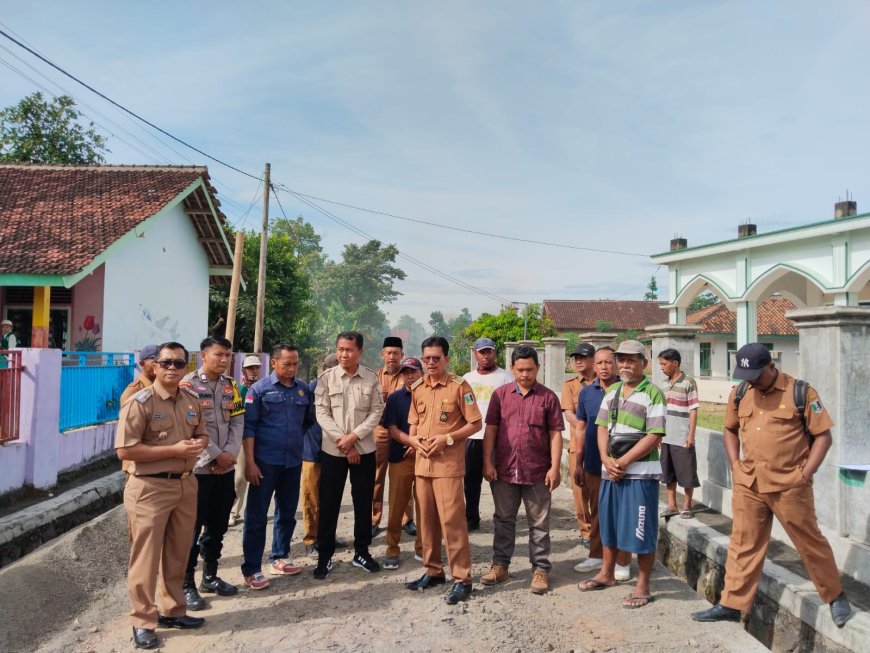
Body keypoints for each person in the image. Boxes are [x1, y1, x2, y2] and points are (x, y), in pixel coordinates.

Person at [691, 343, 852, 627]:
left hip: (790, 484)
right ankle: (732, 603)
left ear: (771, 365)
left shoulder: (801, 392)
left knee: (809, 542)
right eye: (746, 374)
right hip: (749, 483)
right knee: (743, 543)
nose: (751, 380)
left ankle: (835, 596)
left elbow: (823, 437)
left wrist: (805, 473)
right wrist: (734, 464)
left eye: (756, 374)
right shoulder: (740, 393)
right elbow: (729, 428)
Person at [114, 342, 208, 650]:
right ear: (154, 366)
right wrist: (174, 450)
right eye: (165, 362)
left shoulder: (191, 399)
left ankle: (173, 610)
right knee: (145, 559)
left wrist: (197, 444)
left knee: (179, 553)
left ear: (186, 367)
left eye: (178, 364)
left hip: (184, 485)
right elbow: (125, 450)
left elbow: (202, 433)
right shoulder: (140, 402)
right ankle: (143, 622)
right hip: (149, 488)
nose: (171, 368)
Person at [577, 340, 665, 609]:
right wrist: (605, 458)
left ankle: (643, 586)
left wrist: (624, 461)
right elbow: (601, 427)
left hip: (639, 474)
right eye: (622, 360)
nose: (625, 365)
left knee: (641, 528)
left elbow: (655, 434)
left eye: (632, 360)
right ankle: (607, 573)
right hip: (610, 472)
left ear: (644, 364)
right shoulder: (613, 391)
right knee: (609, 524)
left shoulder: (653, 393)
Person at [480, 345, 564, 595]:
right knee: (503, 520)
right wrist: (487, 461)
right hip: (504, 469)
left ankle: (540, 570)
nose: (525, 374)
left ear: (538, 368)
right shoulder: (501, 395)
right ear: (512, 369)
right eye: (520, 369)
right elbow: (491, 430)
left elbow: (555, 435)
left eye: (529, 369)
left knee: (539, 523)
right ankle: (500, 566)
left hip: (537, 471)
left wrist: (555, 467)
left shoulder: (548, 397)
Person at [405, 336, 482, 605]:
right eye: (426, 358)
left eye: (436, 358)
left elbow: (475, 423)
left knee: (452, 522)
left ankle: (462, 579)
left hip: (448, 466)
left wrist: (447, 439)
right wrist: (412, 440)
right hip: (422, 466)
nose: (430, 363)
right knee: (426, 521)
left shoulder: (460, 386)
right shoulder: (417, 388)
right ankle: (433, 570)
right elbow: (413, 422)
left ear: (447, 359)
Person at [240, 343, 314, 591]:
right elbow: (248, 429)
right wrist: (250, 462)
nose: (292, 368)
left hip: (292, 462)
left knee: (286, 513)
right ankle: (252, 568)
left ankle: (279, 557)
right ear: (273, 363)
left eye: (295, 364)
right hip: (264, 463)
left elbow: (306, 423)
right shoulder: (258, 390)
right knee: (256, 516)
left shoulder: (303, 390)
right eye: (287, 364)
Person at [314, 331, 385, 579]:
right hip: (333, 451)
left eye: (349, 350)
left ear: (360, 352)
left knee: (363, 502)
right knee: (329, 503)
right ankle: (324, 555)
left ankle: (362, 552)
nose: (344, 354)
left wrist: (353, 437)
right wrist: (344, 443)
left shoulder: (371, 379)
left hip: (364, 450)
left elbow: (376, 411)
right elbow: (321, 413)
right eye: (340, 349)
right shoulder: (326, 378)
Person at [181, 337, 245, 610]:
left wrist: (229, 455)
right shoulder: (187, 386)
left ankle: (210, 575)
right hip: (198, 469)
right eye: (219, 354)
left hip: (225, 469)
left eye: (228, 355)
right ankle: (186, 584)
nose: (224, 359)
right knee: (191, 529)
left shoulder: (231, 385)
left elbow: (238, 420)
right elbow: (190, 427)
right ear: (204, 355)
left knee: (217, 526)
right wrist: (217, 455)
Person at [573, 346, 632, 579]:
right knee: (598, 511)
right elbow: (581, 427)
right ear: (593, 366)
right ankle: (596, 555)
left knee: (623, 511)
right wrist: (579, 461)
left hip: (623, 462)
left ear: (616, 364)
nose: (604, 367)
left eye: (609, 362)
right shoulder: (587, 393)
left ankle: (622, 560)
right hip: (594, 462)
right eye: (600, 363)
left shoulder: (627, 390)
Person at [462, 337, 514, 531]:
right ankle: (471, 519)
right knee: (470, 481)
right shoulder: (467, 378)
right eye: (481, 352)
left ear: (495, 353)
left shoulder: (506, 377)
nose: (485, 356)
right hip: (472, 437)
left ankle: (503, 519)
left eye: (489, 351)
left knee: (498, 481)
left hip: (497, 438)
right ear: (475, 354)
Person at [381, 357, 425, 569]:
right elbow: (391, 428)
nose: (409, 376)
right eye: (405, 372)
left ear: (421, 373)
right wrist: (410, 441)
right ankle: (392, 548)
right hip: (400, 457)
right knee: (397, 505)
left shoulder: (430, 394)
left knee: (425, 505)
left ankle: (422, 547)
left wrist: (418, 444)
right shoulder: (395, 398)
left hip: (425, 456)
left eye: (413, 371)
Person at [301, 353, 342, 557]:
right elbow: (304, 418)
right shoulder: (312, 388)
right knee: (311, 497)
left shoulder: (342, 387)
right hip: (313, 450)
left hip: (334, 452)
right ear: (326, 369)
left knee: (330, 497)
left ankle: (327, 535)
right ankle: (311, 538)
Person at [372, 336, 412, 538]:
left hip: (402, 432)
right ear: (382, 355)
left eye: (396, 353)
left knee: (404, 476)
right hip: (379, 431)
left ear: (402, 355)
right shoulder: (374, 377)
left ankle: (408, 519)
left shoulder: (408, 376)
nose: (392, 357)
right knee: (377, 476)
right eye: (389, 353)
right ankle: (374, 519)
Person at [560, 342, 596, 548]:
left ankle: (600, 529)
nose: (579, 361)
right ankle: (586, 531)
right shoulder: (570, 385)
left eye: (583, 357)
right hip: (578, 446)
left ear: (593, 359)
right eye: (576, 358)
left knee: (598, 491)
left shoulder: (605, 383)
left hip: (602, 447)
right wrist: (588, 428)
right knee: (580, 492)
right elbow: (568, 413)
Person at [657, 349, 700, 519]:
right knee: (668, 473)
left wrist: (691, 434)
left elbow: (693, 410)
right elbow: (661, 411)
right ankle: (672, 505)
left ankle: (687, 505)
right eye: (660, 364)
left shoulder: (689, 382)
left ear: (675, 363)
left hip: (682, 436)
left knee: (687, 471)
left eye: (664, 363)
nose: (662, 367)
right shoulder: (664, 384)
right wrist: (659, 433)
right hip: (667, 435)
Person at [229, 355, 262, 527]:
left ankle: (243, 512)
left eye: (256, 367)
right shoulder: (237, 388)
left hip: (260, 438)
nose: (254, 371)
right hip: (240, 437)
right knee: (239, 477)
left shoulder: (264, 387)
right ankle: (231, 511)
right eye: (250, 368)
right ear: (243, 369)